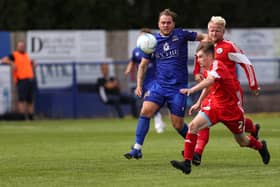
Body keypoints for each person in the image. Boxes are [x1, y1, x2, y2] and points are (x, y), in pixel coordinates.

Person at [170, 42, 270, 174]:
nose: (198, 60)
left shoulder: (218, 65)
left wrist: (192, 90)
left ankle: (261, 146)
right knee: (193, 126)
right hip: (215, 107)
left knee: (243, 141)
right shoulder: (207, 69)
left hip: (231, 110)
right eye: (197, 57)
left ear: (210, 56)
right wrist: (199, 102)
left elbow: (210, 81)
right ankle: (187, 163)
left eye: (200, 57)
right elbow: (209, 86)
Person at [124, 8, 208, 159]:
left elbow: (203, 37)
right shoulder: (152, 42)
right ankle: (137, 149)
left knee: (177, 124)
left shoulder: (181, 35)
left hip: (178, 88)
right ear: (158, 24)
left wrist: (216, 41)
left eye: (168, 22)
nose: (166, 25)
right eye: (163, 22)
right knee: (145, 111)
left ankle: (195, 148)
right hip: (159, 86)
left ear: (173, 24)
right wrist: (139, 85)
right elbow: (142, 66)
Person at [191, 16, 261, 165]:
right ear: (208, 30)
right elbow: (198, 64)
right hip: (212, 90)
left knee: (236, 119)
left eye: (217, 30)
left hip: (231, 92)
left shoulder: (229, 46)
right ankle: (197, 153)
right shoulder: (205, 46)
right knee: (202, 116)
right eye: (211, 30)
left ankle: (253, 129)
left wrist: (253, 84)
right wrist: (197, 74)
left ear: (223, 31)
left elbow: (246, 63)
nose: (214, 33)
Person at [125, 28, 166, 134]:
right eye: (141, 36)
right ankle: (158, 117)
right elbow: (133, 61)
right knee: (147, 102)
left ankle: (158, 120)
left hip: (155, 78)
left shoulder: (155, 49)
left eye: (145, 36)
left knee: (148, 99)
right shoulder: (136, 50)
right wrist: (129, 69)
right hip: (143, 80)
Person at [1, 41, 36, 120]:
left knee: (30, 100)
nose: (22, 47)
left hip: (30, 80)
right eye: (20, 46)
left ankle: (31, 118)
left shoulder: (26, 55)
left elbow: (29, 66)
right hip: (22, 80)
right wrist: (11, 63)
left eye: (23, 46)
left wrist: (33, 64)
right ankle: (22, 118)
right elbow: (3, 60)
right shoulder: (14, 55)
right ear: (17, 47)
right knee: (22, 100)